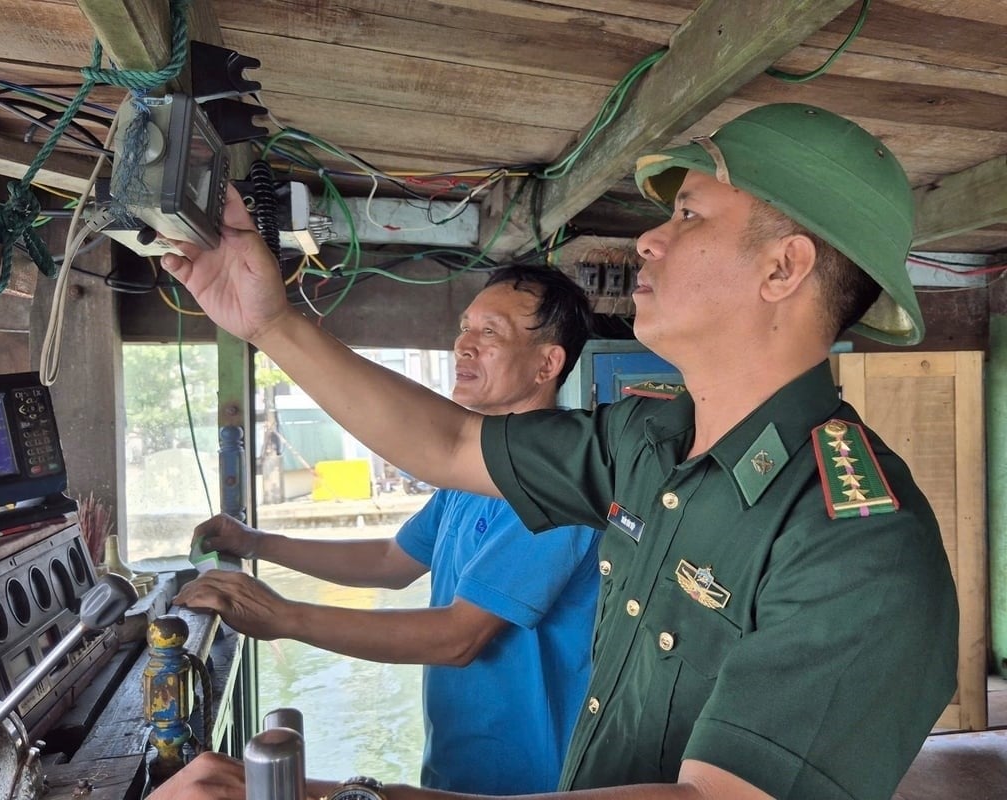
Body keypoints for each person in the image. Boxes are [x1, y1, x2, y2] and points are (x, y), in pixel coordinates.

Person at [156, 104, 959, 800]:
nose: (646, 239)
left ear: (783, 268)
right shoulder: (647, 441)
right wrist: (270, 322)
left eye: (689, 216)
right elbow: (449, 442)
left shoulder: (860, 543)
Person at [175, 265, 603, 794]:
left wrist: (282, 615)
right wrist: (256, 542)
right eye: (465, 328)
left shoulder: (560, 483)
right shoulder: (473, 476)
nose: (465, 345)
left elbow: (459, 637)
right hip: (456, 767)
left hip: (530, 780)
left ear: (548, 364)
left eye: (490, 333)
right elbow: (390, 562)